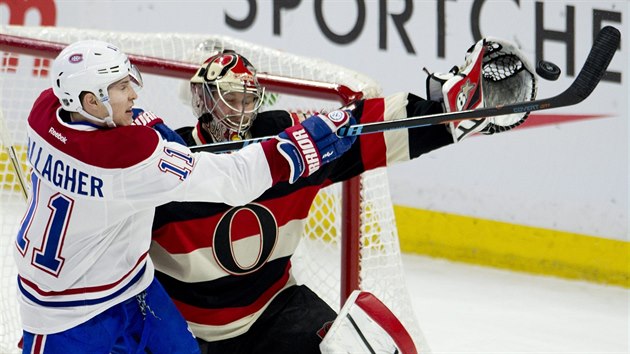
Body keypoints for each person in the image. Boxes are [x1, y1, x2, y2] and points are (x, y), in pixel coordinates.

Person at [150, 39, 537, 353]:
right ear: (203, 100)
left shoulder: (285, 147)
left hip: (273, 309)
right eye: (229, 99)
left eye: (248, 100)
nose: (240, 111)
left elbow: (362, 133)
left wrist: (444, 115)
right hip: (187, 330)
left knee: (347, 346)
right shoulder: (164, 164)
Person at [13, 39, 355, 354]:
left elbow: (137, 151)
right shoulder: (131, 159)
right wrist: (298, 148)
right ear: (90, 101)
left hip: (133, 286)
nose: (133, 95)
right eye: (120, 88)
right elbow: (234, 179)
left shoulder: (42, 115)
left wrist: (157, 135)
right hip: (66, 312)